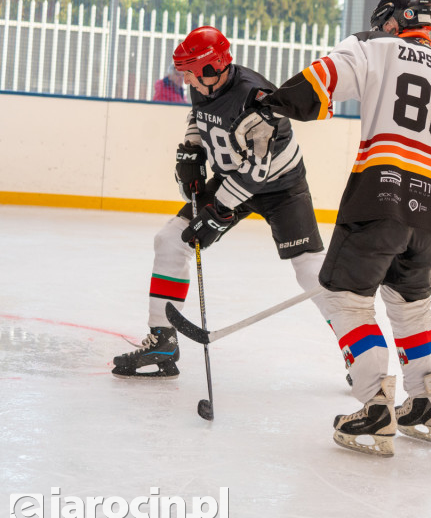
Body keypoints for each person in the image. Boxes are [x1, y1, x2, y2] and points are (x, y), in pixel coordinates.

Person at [231, 0, 431, 457]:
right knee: (411, 302)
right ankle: (424, 402)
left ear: (390, 21)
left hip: (383, 193)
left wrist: (268, 107)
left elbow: (317, 86)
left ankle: (374, 405)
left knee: (345, 297)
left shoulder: (374, 47)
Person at [111, 26, 340, 382]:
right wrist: (192, 147)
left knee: (310, 270)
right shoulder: (204, 84)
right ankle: (162, 341)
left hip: (281, 186)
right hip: (234, 175)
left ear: (211, 67)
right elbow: (200, 115)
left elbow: (257, 172)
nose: (184, 78)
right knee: (171, 241)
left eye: (189, 70)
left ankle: (358, 353)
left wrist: (218, 212)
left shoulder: (257, 97)